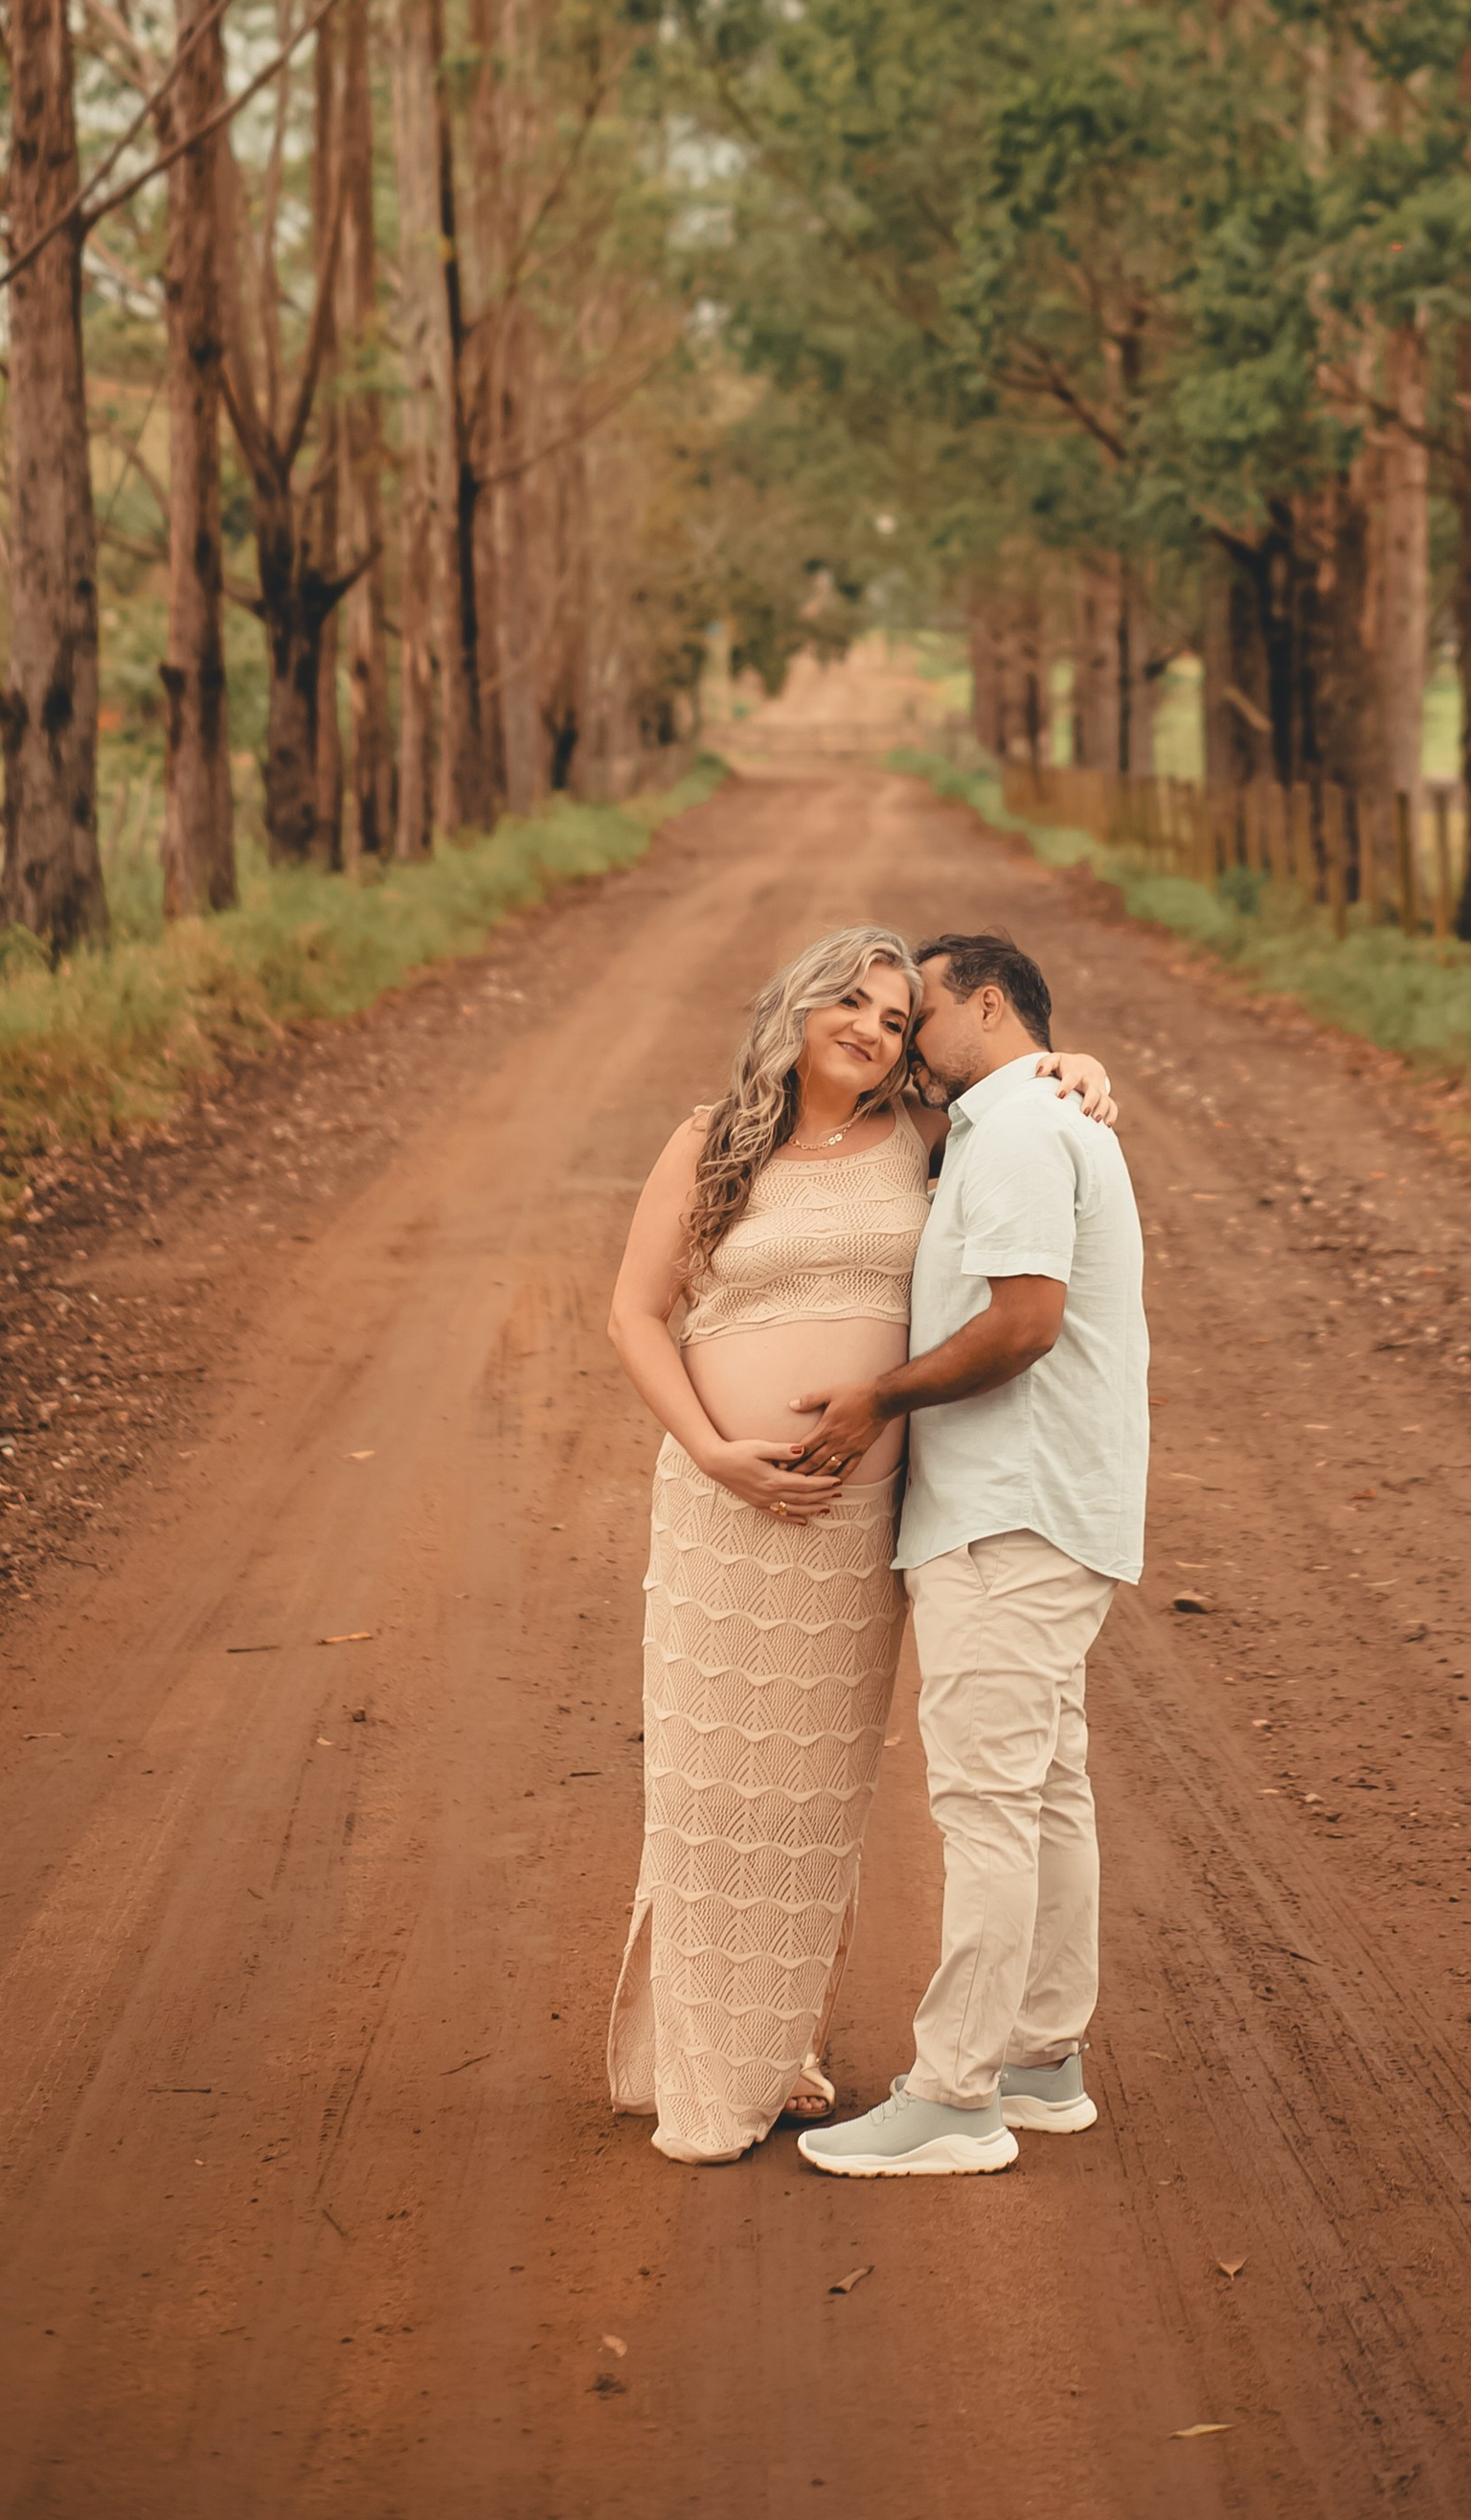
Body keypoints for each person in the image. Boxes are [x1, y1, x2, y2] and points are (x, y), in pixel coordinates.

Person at [602, 922, 1117, 2166]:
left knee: (813, 1804)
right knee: (708, 1789)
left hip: (847, 1532)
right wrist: (713, 1449)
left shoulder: (927, 1144)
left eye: (896, 1020)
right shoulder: (709, 1137)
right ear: (800, 1001)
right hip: (721, 1508)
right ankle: (703, 2072)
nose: (874, 1031)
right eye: (855, 1002)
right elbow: (632, 1311)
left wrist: (1082, 1066)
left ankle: (779, 2056)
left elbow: (1025, 1113)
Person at [788, 930, 1147, 2180]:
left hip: (1012, 1514)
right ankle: (1041, 2059)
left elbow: (1024, 1325)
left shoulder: (1023, 1130)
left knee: (988, 1804)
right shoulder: (1025, 1122)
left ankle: (954, 2096)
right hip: (1046, 1509)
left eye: (919, 1015)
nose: (905, 1046)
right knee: (1045, 1790)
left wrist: (877, 1399)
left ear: (989, 1008)